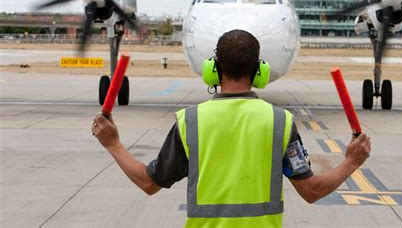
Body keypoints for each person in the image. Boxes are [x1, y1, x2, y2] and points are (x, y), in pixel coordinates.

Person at [92, 29, 371, 227]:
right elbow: (311, 191)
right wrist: (351, 161)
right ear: (259, 71)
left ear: (213, 69)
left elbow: (149, 183)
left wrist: (113, 144)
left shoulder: (190, 121)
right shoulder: (280, 122)